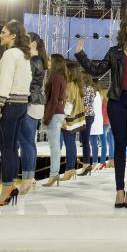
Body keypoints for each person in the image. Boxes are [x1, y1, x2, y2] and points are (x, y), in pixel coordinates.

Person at [75, 15, 127, 209]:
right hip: (117, 102)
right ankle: (119, 190)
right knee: (119, 145)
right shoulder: (114, 52)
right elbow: (97, 71)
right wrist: (81, 55)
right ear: (124, 28)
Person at [0, 19, 32, 206]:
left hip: (9, 104)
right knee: (13, 148)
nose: (0, 35)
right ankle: (10, 185)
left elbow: (5, 80)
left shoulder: (10, 55)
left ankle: (7, 187)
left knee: (7, 149)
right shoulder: (23, 55)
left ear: (13, 35)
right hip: (21, 105)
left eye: (3, 32)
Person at [17, 32, 48, 195]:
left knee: (25, 142)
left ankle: (27, 179)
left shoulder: (33, 60)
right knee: (30, 142)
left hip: (30, 102)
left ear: (34, 43)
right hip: (36, 103)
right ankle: (31, 177)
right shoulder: (39, 60)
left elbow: (26, 83)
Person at [42, 54, 70, 187]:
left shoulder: (56, 77)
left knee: (54, 146)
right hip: (59, 112)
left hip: (55, 112)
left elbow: (53, 100)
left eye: (49, 60)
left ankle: (54, 174)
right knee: (55, 145)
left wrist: (46, 118)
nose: (47, 62)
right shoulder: (62, 77)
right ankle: (54, 174)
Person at [89, 87, 105, 168]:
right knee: (94, 142)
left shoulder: (93, 94)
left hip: (93, 120)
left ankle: (94, 161)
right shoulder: (99, 94)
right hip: (97, 119)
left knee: (93, 142)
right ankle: (95, 161)